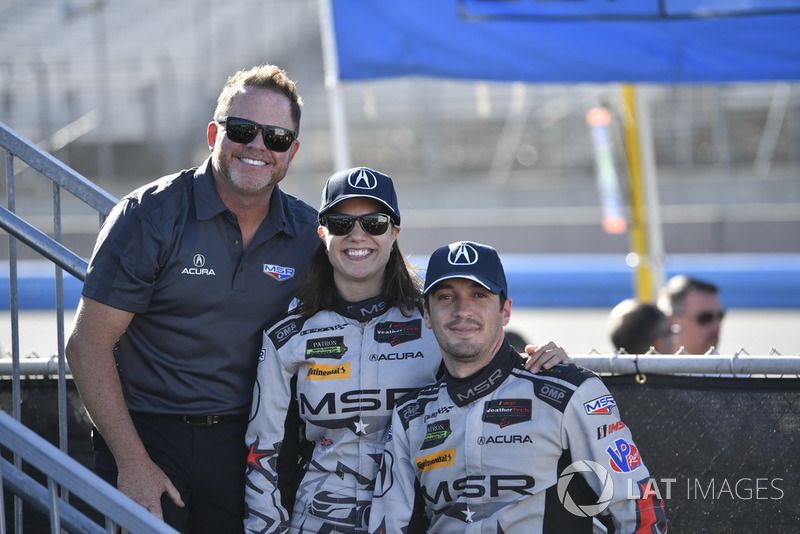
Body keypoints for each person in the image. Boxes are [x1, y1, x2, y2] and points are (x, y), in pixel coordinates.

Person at [65, 64, 322, 533]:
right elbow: (87, 346)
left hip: (251, 445)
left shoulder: (308, 235)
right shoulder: (150, 216)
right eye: (242, 130)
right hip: (147, 435)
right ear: (213, 133)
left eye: (276, 138)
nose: (258, 147)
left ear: (292, 152)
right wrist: (133, 464)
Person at [244, 169, 571, 533]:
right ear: (323, 233)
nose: (358, 235)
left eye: (374, 222)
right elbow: (264, 453)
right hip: (318, 521)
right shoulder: (289, 334)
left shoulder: (436, 318)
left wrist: (549, 363)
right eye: (341, 222)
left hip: (420, 520)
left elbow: (498, 377)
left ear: (394, 232)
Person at [369, 241, 668, 533]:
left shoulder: (569, 393)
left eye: (479, 295)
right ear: (426, 314)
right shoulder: (411, 416)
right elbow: (390, 523)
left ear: (505, 311)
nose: (462, 310)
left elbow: (639, 509)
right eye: (446, 297)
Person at [657, 275, 725, 354]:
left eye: (720, 317)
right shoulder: (646, 364)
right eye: (705, 318)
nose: (716, 327)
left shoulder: (726, 365)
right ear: (673, 321)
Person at [608, 298, 675, 354]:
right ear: (657, 344)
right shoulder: (678, 368)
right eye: (669, 332)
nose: (674, 339)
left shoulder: (611, 367)